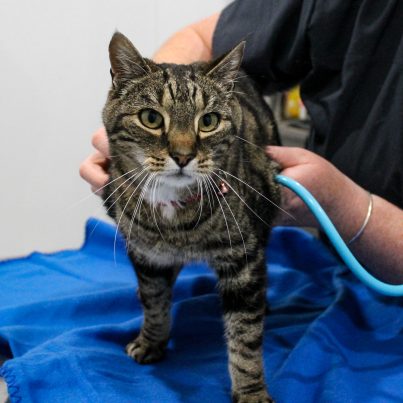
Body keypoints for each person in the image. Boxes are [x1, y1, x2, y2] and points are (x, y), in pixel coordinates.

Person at [80, 1, 403, 283]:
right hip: (336, 263)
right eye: (153, 120)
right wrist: (142, 95)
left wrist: (340, 204)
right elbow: (200, 39)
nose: (181, 150)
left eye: (206, 123)